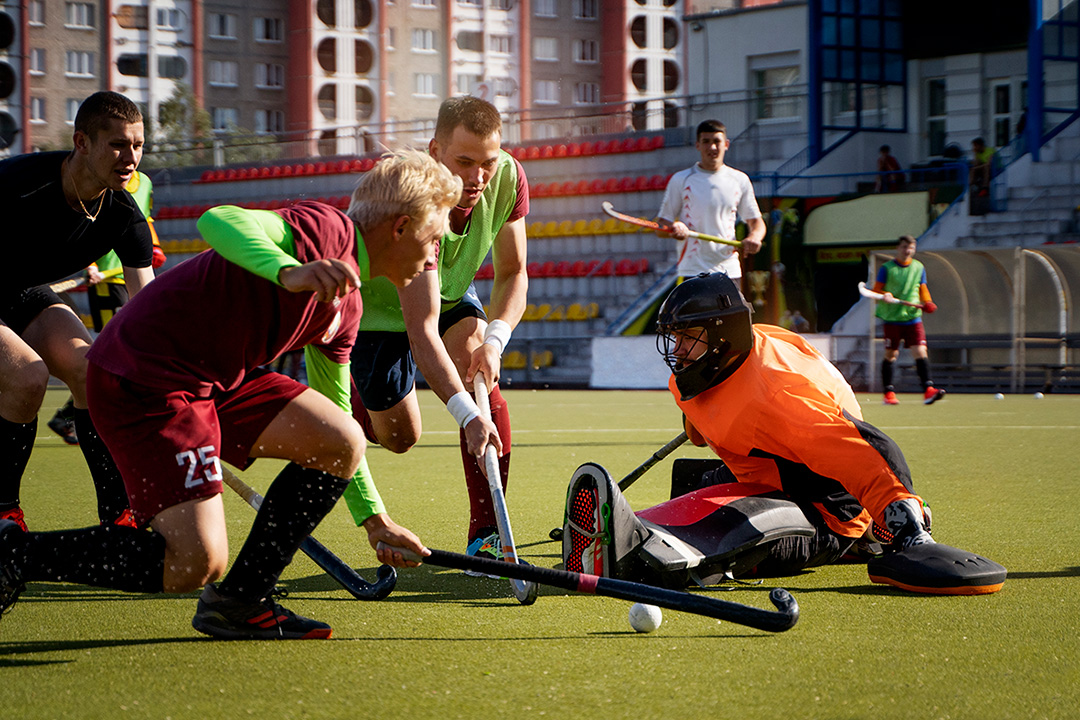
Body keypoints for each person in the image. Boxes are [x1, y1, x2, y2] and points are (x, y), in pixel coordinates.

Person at [0, 149, 453, 639]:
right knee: (193, 563)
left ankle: (240, 603)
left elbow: (338, 411)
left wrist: (375, 520)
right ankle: (14, 553)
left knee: (340, 438)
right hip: (145, 375)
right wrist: (287, 270)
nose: (433, 257)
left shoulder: (348, 306)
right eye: (433, 241)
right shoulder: (327, 230)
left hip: (214, 382)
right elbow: (220, 218)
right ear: (401, 227)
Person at [564, 273, 934, 582]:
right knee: (698, 481)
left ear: (722, 335)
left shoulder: (779, 396)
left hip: (825, 509)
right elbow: (705, 418)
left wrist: (907, 527)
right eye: (674, 336)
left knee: (730, 529)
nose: (676, 349)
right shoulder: (726, 361)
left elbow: (865, 451)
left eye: (687, 337)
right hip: (770, 470)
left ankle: (863, 535)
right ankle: (642, 537)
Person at [346, 96, 529, 563]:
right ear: (434, 150)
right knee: (400, 438)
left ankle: (486, 537)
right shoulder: (415, 199)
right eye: (463, 162)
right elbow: (421, 329)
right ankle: (351, 393)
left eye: (487, 162)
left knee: (479, 371)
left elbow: (513, 270)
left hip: (447, 292)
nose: (477, 178)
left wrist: (495, 340)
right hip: (380, 312)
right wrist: (467, 418)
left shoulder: (507, 177)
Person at [0, 91, 156, 533]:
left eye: (138, 145)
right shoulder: (18, 182)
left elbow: (146, 309)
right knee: (27, 376)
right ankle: (3, 512)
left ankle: (118, 518)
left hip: (21, 290)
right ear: (82, 142)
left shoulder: (123, 215)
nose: (130, 158)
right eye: (118, 145)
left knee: (95, 375)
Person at [47, 170, 167, 446]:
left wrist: (153, 246)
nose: (129, 154)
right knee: (113, 351)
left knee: (128, 350)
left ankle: (74, 416)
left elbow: (144, 218)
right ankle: (70, 416)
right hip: (104, 281)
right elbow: (84, 220)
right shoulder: (97, 177)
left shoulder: (145, 182)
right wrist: (90, 265)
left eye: (137, 145)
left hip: (130, 274)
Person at [655, 119, 764, 282]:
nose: (712, 147)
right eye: (706, 142)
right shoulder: (681, 180)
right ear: (697, 145)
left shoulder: (739, 180)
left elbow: (757, 222)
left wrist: (754, 237)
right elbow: (660, 226)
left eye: (717, 142)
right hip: (693, 272)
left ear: (726, 144)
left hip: (730, 272)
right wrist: (674, 228)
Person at [873, 235, 944, 405]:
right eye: (904, 247)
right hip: (892, 318)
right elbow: (876, 292)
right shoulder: (887, 268)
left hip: (912, 317)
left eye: (911, 247)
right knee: (891, 354)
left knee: (920, 351)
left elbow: (922, 288)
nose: (908, 250)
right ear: (898, 248)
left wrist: (927, 302)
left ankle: (928, 390)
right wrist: (885, 296)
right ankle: (888, 393)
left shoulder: (919, 267)